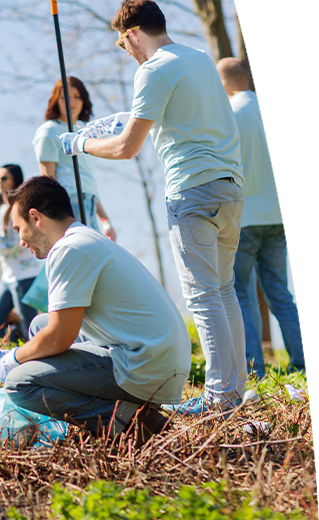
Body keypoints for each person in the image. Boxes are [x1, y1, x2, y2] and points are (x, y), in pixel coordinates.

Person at [59, 0, 245, 415]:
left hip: (191, 191)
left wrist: (81, 144)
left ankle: (218, 399)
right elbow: (184, 113)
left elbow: (126, 148)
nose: (126, 52)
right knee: (224, 291)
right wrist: (129, 116)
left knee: (203, 297)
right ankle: (233, 393)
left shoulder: (153, 69)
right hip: (229, 188)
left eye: (122, 44)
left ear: (133, 34)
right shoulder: (199, 59)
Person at [0, 176, 190, 443]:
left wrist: (13, 358)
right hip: (157, 357)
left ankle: (133, 421)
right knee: (38, 326)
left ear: (35, 217)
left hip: (147, 366)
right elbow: (55, 329)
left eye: (19, 228)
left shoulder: (69, 249)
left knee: (20, 383)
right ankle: (116, 411)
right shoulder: (84, 238)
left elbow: (60, 337)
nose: (20, 241)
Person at [216, 58, 304, 379]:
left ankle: (255, 372)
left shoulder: (230, 115)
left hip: (244, 218)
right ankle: (301, 365)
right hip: (276, 217)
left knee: (239, 293)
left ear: (223, 82)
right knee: (280, 293)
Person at [33, 77, 116, 240]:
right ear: (56, 100)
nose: (72, 102)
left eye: (77, 96)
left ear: (84, 100)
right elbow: (47, 182)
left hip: (89, 203)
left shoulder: (85, 133)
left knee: (96, 252)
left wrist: (104, 219)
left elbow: (87, 182)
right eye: (65, 97)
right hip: (69, 203)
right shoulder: (49, 131)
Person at [0, 164, 43, 342]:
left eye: (4, 178)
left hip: (25, 274)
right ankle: (22, 347)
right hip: (7, 276)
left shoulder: (22, 207)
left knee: (29, 324)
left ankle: (37, 351)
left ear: (14, 180)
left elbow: (19, 242)